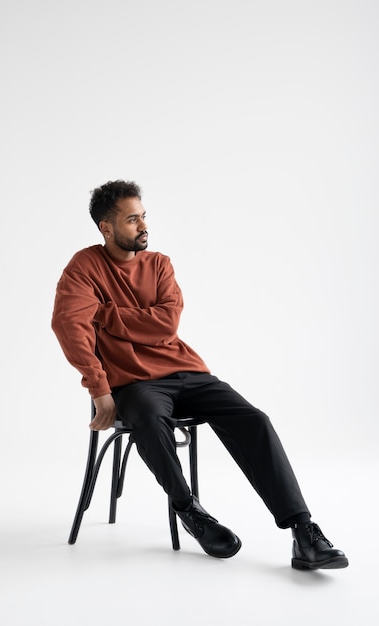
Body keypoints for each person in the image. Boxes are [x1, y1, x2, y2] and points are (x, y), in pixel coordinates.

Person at [52, 179, 348, 570]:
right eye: (131, 220)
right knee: (149, 418)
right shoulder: (85, 267)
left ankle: (303, 532)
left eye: (143, 217)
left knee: (254, 420)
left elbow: (165, 325)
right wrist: (98, 387)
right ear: (106, 228)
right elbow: (68, 324)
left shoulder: (159, 264)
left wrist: (105, 314)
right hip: (135, 384)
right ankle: (190, 510)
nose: (142, 226)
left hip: (185, 371)